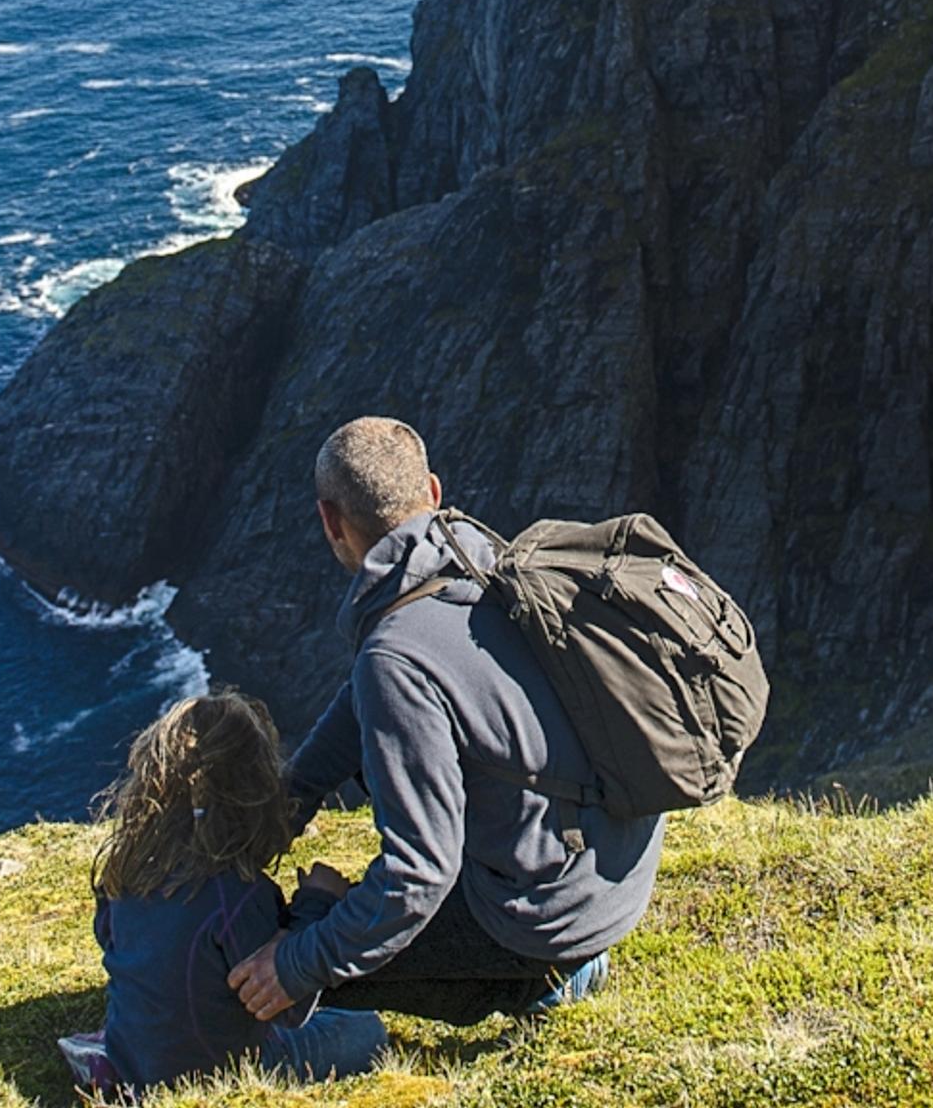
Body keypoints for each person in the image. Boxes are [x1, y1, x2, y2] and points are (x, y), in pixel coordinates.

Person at [229, 417, 660, 1028]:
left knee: (300, 965)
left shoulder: (395, 654)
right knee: (338, 935)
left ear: (331, 522)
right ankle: (566, 957)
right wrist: (288, 804)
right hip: (615, 869)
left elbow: (417, 874)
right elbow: (364, 701)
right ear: (432, 492)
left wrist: (298, 962)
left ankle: (550, 982)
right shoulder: (490, 567)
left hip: (553, 918)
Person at [77, 691, 388, 1093]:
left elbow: (109, 939)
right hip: (215, 1074)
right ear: (255, 790)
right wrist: (317, 902)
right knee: (366, 1030)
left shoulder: (128, 871)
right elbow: (287, 1005)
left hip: (132, 1056)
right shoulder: (237, 895)